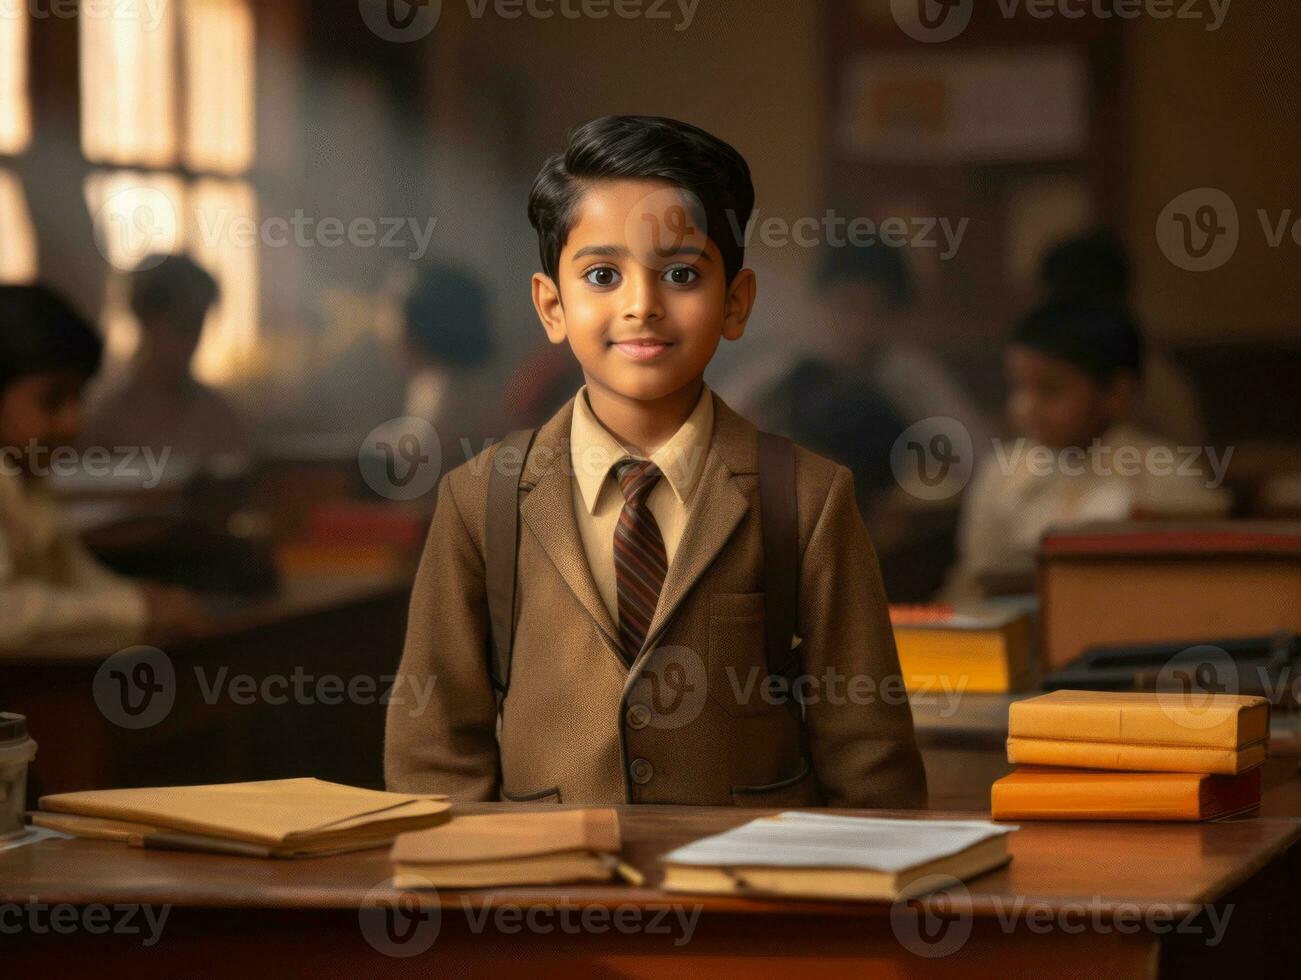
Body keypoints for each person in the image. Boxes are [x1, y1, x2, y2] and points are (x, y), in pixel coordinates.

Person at [386, 115, 927, 809]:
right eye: (602, 274)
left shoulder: (808, 497)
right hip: (540, 903)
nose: (641, 306)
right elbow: (434, 752)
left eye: (679, 272)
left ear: (735, 304)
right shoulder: (480, 499)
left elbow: (868, 758)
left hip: (750, 898)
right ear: (551, 306)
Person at [943, 300, 1231, 602]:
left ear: (1117, 393)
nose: (1025, 408)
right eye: (1018, 387)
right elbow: (977, 573)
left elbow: (1199, 583)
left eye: (1050, 390)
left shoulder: (1167, 472)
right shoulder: (1002, 473)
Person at [0, 285, 209, 653]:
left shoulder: (25, 479)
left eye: (78, 397)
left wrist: (148, 600)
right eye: (51, 400)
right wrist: (134, 607)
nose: (72, 423)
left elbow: (75, 576)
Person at [79, 255, 252, 464]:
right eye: (181, 325)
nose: (189, 341)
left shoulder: (219, 419)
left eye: (196, 327)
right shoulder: (105, 419)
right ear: (147, 320)